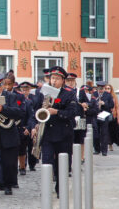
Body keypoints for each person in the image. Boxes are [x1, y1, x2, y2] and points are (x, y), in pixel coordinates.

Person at [33, 66, 76, 198]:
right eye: (52, 78)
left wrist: (56, 112)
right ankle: (46, 189)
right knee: (46, 162)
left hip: (63, 134)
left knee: (61, 165)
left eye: (57, 79)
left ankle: (60, 190)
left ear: (63, 80)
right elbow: (34, 110)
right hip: (47, 133)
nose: (54, 81)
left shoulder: (69, 93)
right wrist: (34, 126)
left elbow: (72, 112)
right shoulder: (43, 92)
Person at [0, 74, 24, 197]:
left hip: (9, 135)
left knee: (9, 164)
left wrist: (3, 109)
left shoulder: (11, 96)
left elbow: (19, 113)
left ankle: (8, 185)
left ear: (2, 85)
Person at [18, 82, 38, 173]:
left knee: (28, 146)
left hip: (28, 126)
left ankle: (29, 165)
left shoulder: (29, 101)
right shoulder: (16, 99)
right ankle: (21, 166)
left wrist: (29, 127)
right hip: (18, 126)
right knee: (19, 148)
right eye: (22, 89)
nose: (24, 91)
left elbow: (31, 116)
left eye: (26, 90)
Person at [78, 85, 99, 162]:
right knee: (80, 140)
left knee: (89, 139)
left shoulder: (93, 100)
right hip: (80, 122)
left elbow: (96, 111)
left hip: (90, 121)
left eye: (87, 91)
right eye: (83, 91)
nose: (85, 92)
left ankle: (84, 155)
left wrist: (87, 110)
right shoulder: (78, 99)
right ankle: (80, 156)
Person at [93, 81, 114, 156]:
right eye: (99, 88)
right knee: (96, 133)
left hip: (104, 115)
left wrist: (104, 103)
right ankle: (97, 149)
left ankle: (104, 150)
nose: (101, 90)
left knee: (104, 133)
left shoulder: (108, 95)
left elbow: (112, 105)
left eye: (102, 88)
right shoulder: (94, 94)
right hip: (96, 115)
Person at [105, 84, 119, 150]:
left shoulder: (114, 97)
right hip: (106, 115)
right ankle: (109, 144)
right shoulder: (103, 96)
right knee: (107, 131)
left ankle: (112, 143)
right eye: (106, 88)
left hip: (113, 115)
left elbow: (117, 107)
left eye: (108, 88)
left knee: (113, 131)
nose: (107, 90)